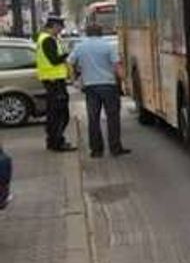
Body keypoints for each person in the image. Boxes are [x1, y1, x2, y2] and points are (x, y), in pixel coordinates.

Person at [68, 23, 130, 158]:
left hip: (90, 87)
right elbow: (116, 66)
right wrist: (125, 80)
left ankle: (96, 150)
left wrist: (74, 80)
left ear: (87, 33)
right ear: (101, 32)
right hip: (108, 85)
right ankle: (115, 147)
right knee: (113, 118)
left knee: (93, 118)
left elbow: (70, 62)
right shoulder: (108, 46)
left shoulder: (80, 47)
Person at [35, 15, 76, 152]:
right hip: (54, 82)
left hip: (53, 81)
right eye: (60, 27)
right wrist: (67, 54)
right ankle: (57, 142)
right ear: (53, 26)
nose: (61, 29)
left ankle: (53, 141)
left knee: (55, 113)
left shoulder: (47, 39)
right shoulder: (47, 40)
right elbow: (54, 60)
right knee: (60, 115)